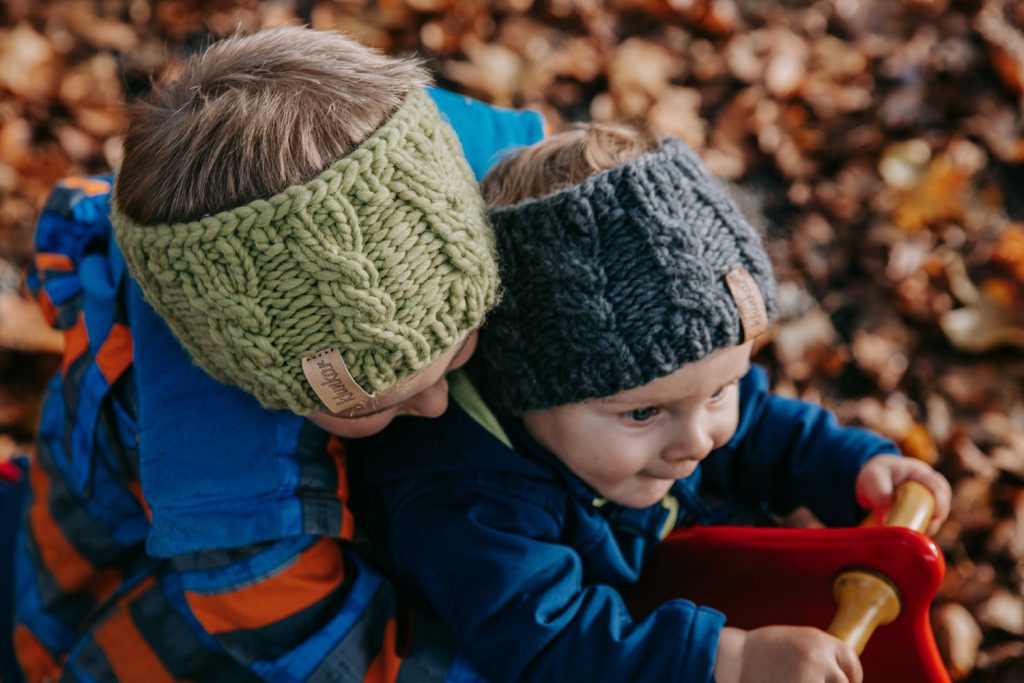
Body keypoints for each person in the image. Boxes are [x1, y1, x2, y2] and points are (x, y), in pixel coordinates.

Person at [11, 26, 544, 681]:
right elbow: (335, 648)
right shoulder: (228, 477)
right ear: (242, 371)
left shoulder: (423, 155)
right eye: (387, 397)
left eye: (460, 342)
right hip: (138, 611)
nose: (437, 404)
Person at [346, 123, 953, 683]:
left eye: (720, 389)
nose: (697, 439)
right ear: (525, 391)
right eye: (643, 413)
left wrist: (853, 466)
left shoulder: (666, 404)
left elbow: (764, 424)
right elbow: (551, 644)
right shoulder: (467, 505)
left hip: (682, 572)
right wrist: (731, 660)